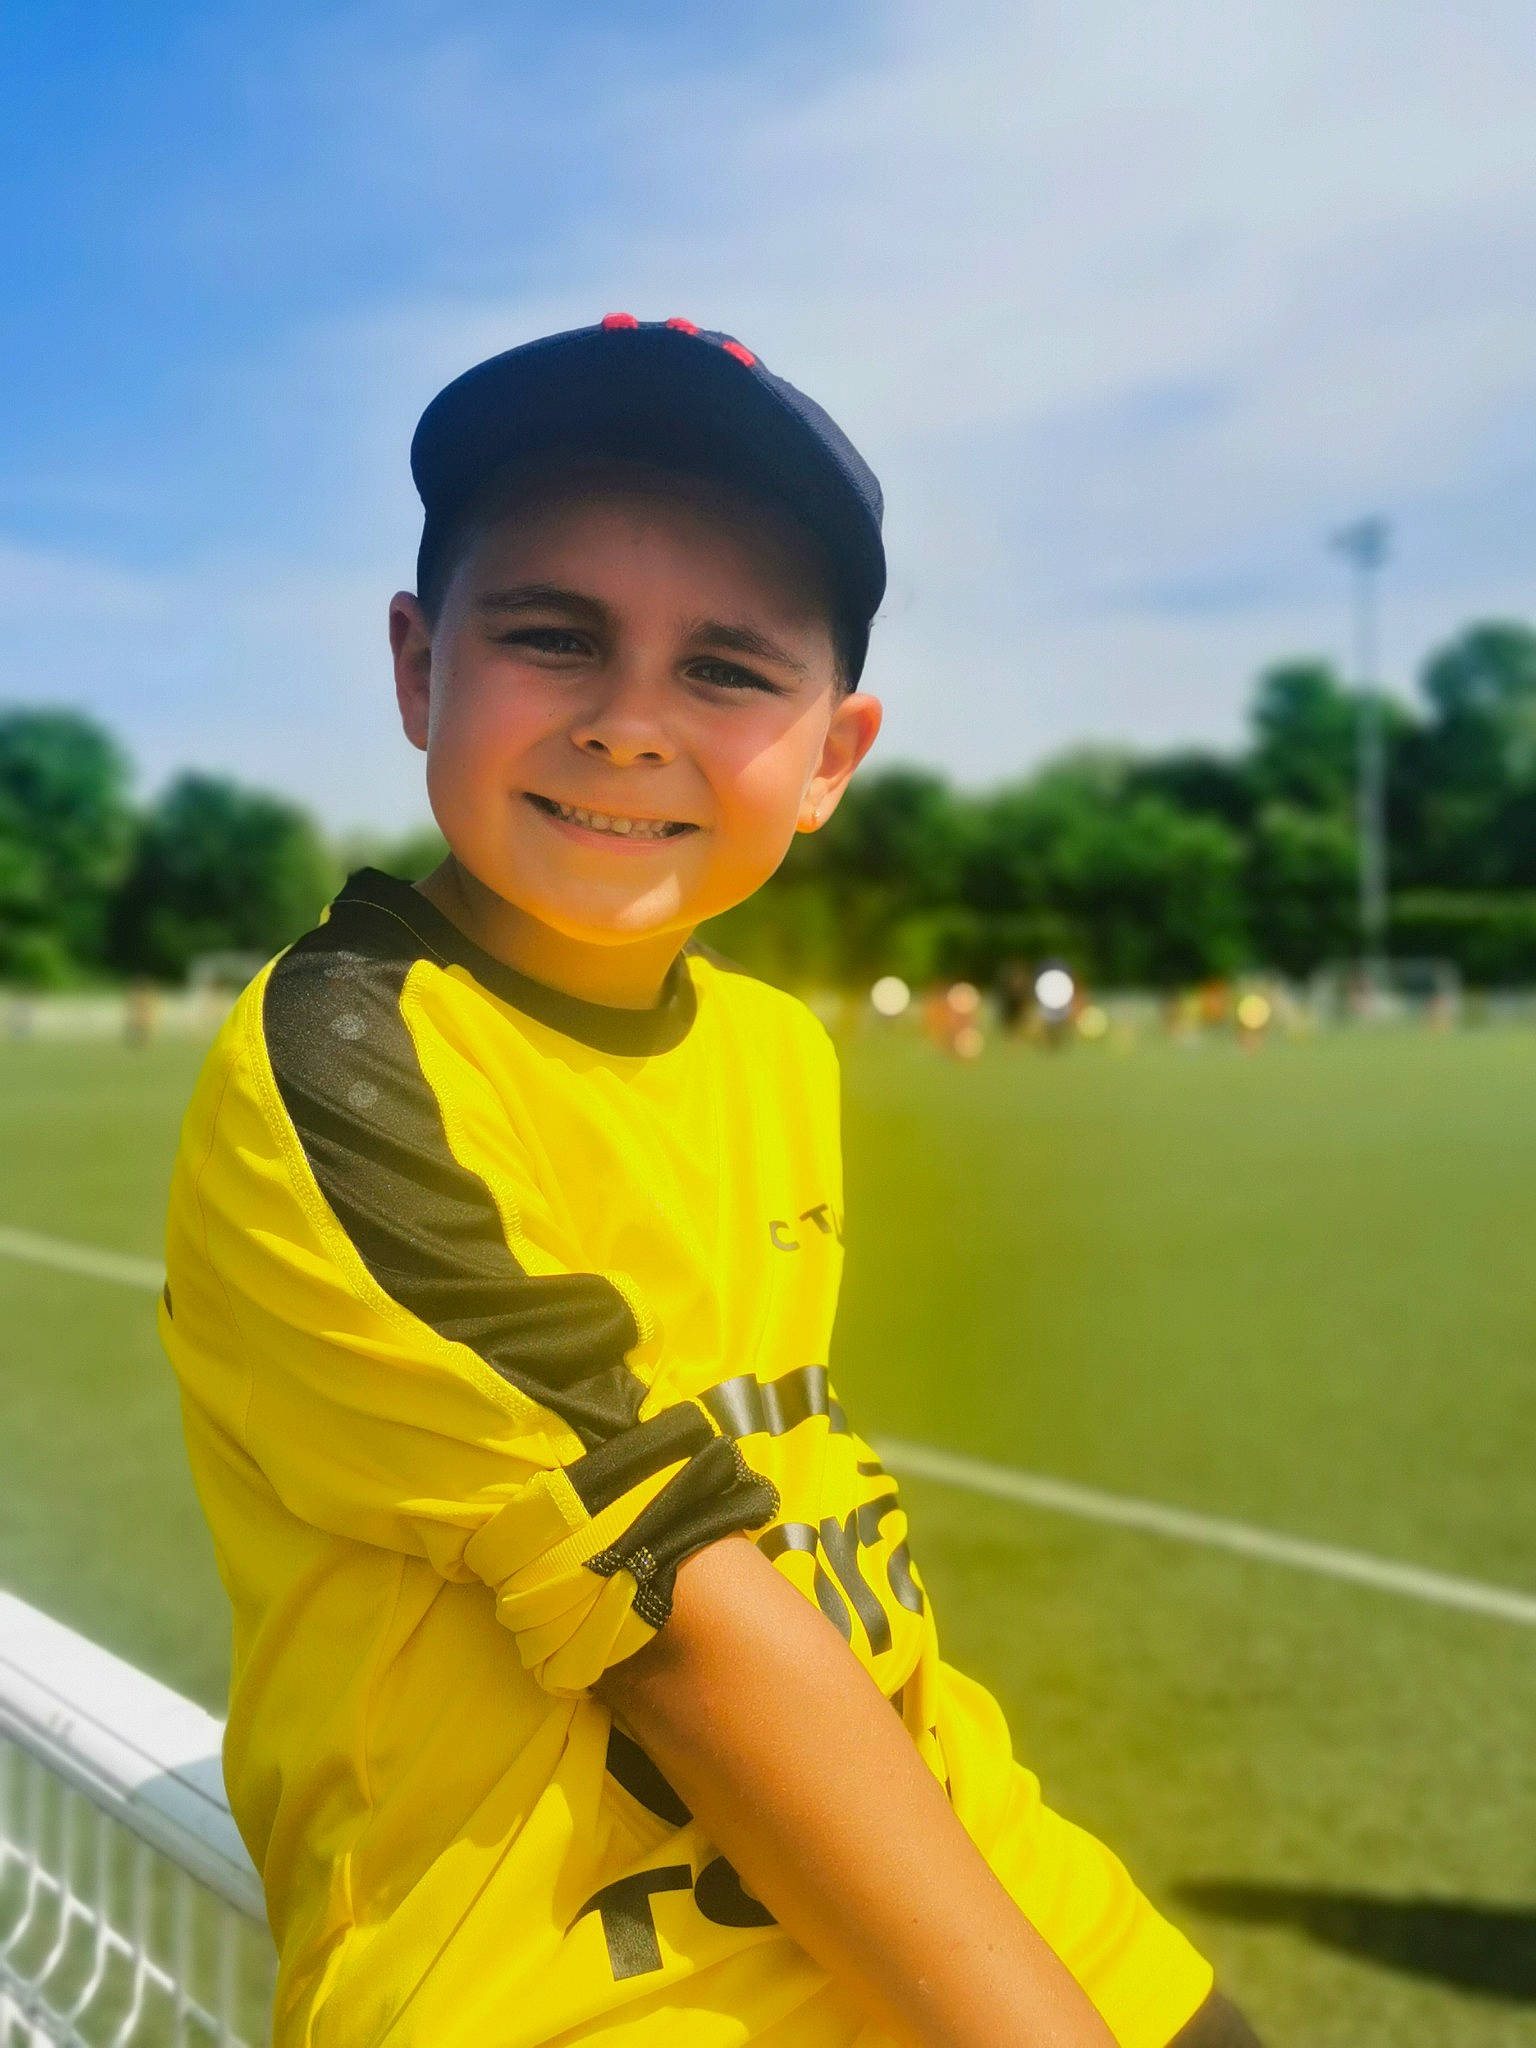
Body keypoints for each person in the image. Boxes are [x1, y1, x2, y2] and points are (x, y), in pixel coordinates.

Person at [161, 317, 1262, 2048]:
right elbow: (676, 1617)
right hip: (572, 1962)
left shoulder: (773, 1049)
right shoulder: (352, 1064)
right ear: (416, 668)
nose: (627, 725)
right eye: (553, 636)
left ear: (833, 754)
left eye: (729, 670)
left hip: (920, 1824)